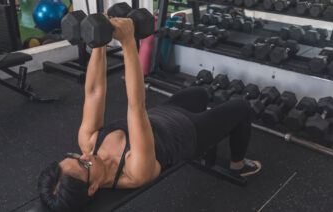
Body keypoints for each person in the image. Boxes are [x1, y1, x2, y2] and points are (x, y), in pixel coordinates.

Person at [38, 17, 262, 211]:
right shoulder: (135, 171)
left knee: (200, 93)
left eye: (74, 156)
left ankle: (210, 153)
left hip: (162, 116)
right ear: (93, 188)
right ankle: (237, 166)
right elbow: (136, 105)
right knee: (241, 108)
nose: (83, 156)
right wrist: (128, 42)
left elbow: (94, 92)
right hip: (188, 132)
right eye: (83, 165)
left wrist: (99, 42)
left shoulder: (89, 144)